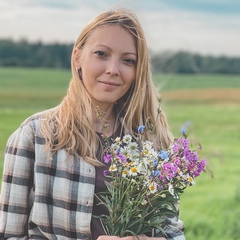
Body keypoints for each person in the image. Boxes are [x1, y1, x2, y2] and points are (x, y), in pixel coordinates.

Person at [0, 8, 185, 240]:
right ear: (78, 57)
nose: (113, 70)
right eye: (101, 54)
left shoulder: (152, 142)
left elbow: (173, 232)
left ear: (138, 70)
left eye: (128, 60)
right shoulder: (34, 136)